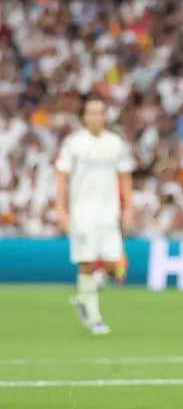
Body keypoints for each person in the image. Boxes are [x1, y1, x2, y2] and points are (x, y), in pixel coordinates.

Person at [54, 96, 134, 336]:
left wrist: (128, 208)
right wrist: (61, 208)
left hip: (109, 213)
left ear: (105, 116)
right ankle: (94, 316)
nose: (96, 116)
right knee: (87, 262)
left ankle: (83, 297)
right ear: (84, 117)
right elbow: (61, 177)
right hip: (82, 212)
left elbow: (125, 177)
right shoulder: (74, 143)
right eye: (92, 112)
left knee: (115, 267)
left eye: (100, 112)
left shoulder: (116, 144)